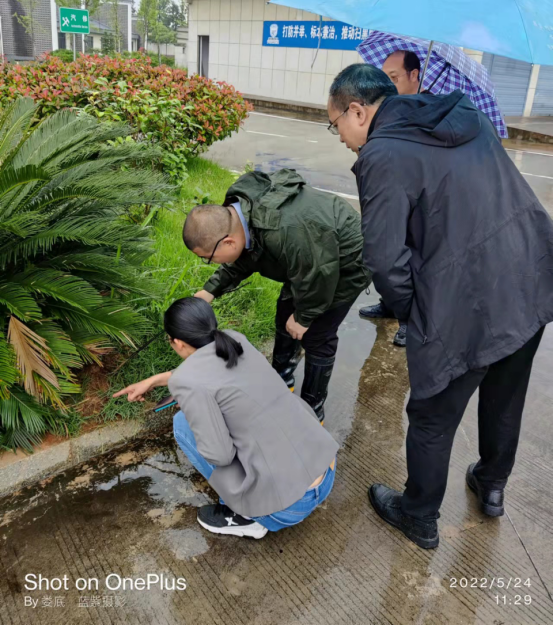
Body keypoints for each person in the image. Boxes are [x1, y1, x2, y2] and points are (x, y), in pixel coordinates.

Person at [328, 63, 553, 549]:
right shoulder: (465, 114)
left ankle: (419, 514)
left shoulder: (382, 154)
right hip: (528, 277)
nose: (341, 137)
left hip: (465, 299)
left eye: (336, 125)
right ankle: (491, 486)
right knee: (506, 395)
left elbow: (383, 259)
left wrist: (414, 311)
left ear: (357, 111)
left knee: (432, 413)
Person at [113, 297, 338, 539]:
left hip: (289, 507)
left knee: (182, 424)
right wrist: (156, 380)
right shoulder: (235, 339)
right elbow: (211, 372)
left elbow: (220, 455)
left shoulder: (188, 382)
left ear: (177, 342)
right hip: (325, 470)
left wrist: (196, 409)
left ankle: (246, 517)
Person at [182, 168, 370, 423]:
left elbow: (320, 275)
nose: (210, 262)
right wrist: (210, 290)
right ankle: (281, 380)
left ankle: (312, 411)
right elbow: (248, 256)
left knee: (317, 335)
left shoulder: (286, 231)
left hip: (346, 263)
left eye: (208, 258)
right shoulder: (242, 218)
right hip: (309, 260)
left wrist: (304, 318)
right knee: (285, 317)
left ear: (227, 242)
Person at [358, 50, 423, 346]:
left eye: (394, 78)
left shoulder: (427, 111)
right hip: (389, 188)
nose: (388, 85)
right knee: (385, 241)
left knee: (406, 251)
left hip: (413, 194)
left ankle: (409, 318)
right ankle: (389, 303)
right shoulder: (389, 110)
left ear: (414, 75)